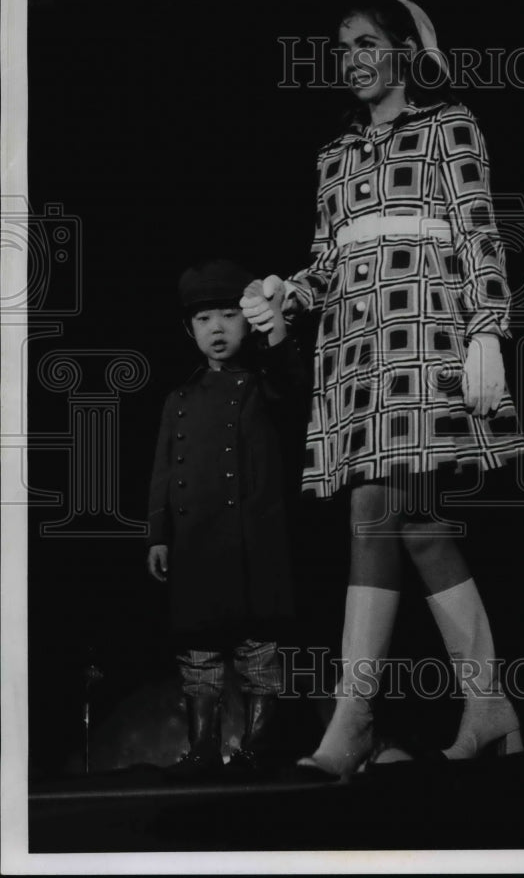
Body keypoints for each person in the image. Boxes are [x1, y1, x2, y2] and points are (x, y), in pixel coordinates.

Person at [241, 0, 524, 780]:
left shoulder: (449, 127)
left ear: (403, 51)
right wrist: (288, 294)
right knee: (406, 520)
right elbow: (327, 260)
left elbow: (477, 232)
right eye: (342, 48)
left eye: (368, 43)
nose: (354, 58)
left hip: (428, 342)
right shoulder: (333, 155)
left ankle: (357, 719)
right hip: (357, 356)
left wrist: (487, 329)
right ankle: (485, 705)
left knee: (388, 511)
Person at [146, 258, 305, 778]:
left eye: (227, 316)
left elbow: (289, 375)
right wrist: (158, 535)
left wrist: (276, 327)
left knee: (257, 650)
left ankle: (259, 750)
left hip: (252, 538)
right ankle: (201, 752)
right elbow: (164, 473)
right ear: (188, 330)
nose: (216, 329)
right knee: (198, 653)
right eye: (203, 320)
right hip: (194, 541)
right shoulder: (180, 398)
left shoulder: (266, 386)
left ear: (247, 321)